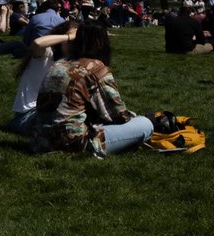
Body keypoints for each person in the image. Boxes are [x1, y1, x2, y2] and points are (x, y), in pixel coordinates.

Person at [30, 21, 153, 156]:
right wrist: (135, 116)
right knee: (145, 124)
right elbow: (118, 115)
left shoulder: (60, 63)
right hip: (73, 144)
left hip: (40, 142)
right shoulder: (96, 67)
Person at [9, 20, 76, 136]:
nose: (73, 43)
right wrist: (69, 36)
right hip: (26, 115)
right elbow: (38, 43)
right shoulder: (46, 54)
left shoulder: (71, 59)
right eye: (70, 40)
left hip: (46, 112)